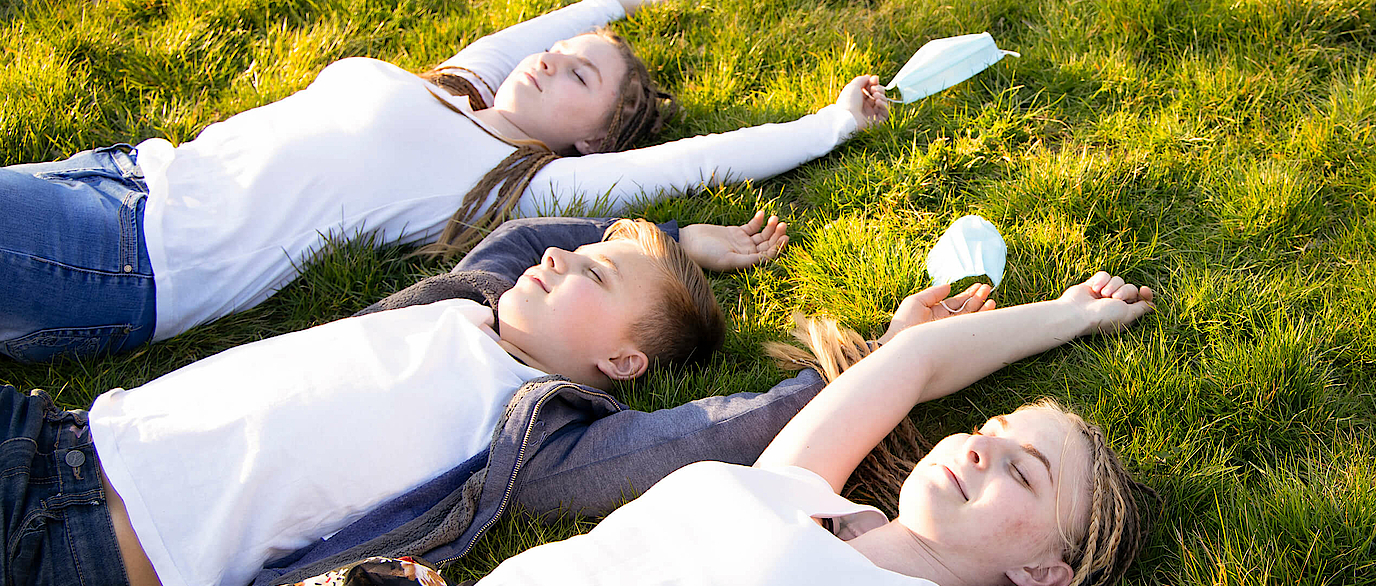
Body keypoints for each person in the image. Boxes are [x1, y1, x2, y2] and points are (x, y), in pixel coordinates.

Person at [0, 0, 891, 362]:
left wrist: (829, 126)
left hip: (136, 258)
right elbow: (559, 19)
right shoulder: (460, 88)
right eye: (557, 57)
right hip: (128, 177)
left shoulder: (512, 181)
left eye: (581, 79)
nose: (548, 62)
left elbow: (693, 162)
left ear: (590, 148)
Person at [249, 271, 1160, 586]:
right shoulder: (802, 488)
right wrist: (1069, 316)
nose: (978, 449)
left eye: (1025, 475)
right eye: (993, 431)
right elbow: (910, 367)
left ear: (1045, 573)